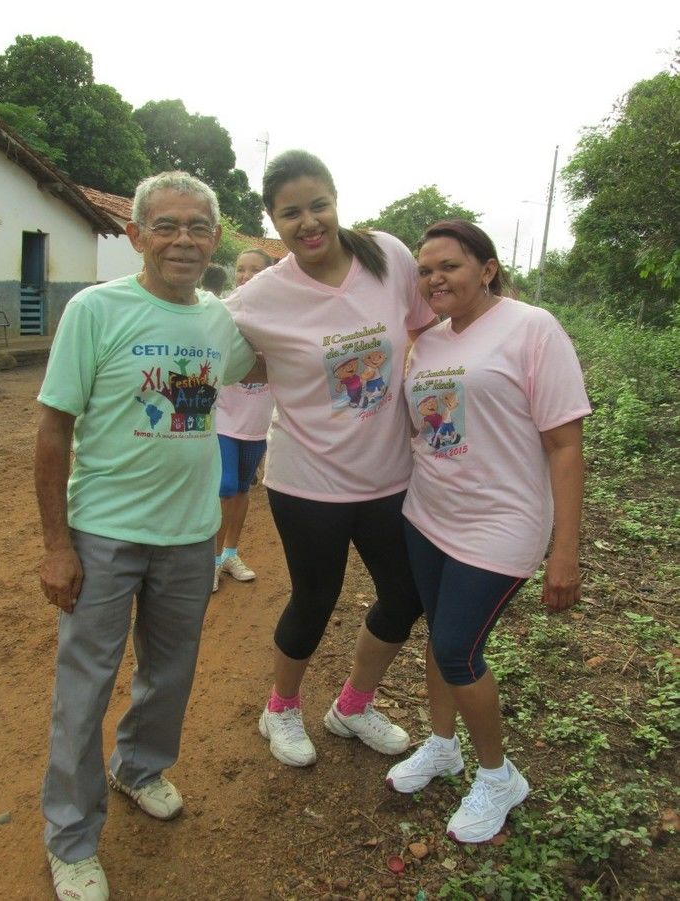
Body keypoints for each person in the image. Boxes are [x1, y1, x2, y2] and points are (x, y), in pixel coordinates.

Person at [35, 171, 257, 901]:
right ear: (135, 235)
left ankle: (139, 767)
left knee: (170, 671)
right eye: (165, 225)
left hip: (190, 538)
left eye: (198, 226)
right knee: (85, 685)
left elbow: (292, 336)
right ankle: (70, 837)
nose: (183, 239)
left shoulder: (221, 323)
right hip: (102, 533)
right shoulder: (96, 311)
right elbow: (52, 428)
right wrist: (56, 543)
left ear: (216, 238)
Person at [225, 150, 437, 768]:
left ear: (337, 201)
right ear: (273, 222)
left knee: (405, 595)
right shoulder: (258, 297)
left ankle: (351, 706)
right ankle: (281, 708)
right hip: (308, 481)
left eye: (318, 205)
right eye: (290, 213)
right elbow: (210, 354)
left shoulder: (388, 256)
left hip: (390, 474)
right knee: (315, 598)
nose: (309, 222)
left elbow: (424, 333)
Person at [385, 219, 591, 844]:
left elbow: (563, 443)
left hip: (502, 523)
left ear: (488, 268)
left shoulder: (533, 328)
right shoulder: (431, 342)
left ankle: (500, 777)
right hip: (429, 514)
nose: (434, 278)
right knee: (437, 635)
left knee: (457, 648)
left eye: (449, 265)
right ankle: (443, 745)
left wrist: (565, 549)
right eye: (425, 270)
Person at [214, 249, 275, 591]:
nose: (245, 276)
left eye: (254, 270)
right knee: (223, 487)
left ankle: (229, 555)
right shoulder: (224, 312)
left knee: (240, 490)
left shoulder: (282, 317)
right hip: (223, 417)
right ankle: (209, 561)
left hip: (256, 422)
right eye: (240, 269)